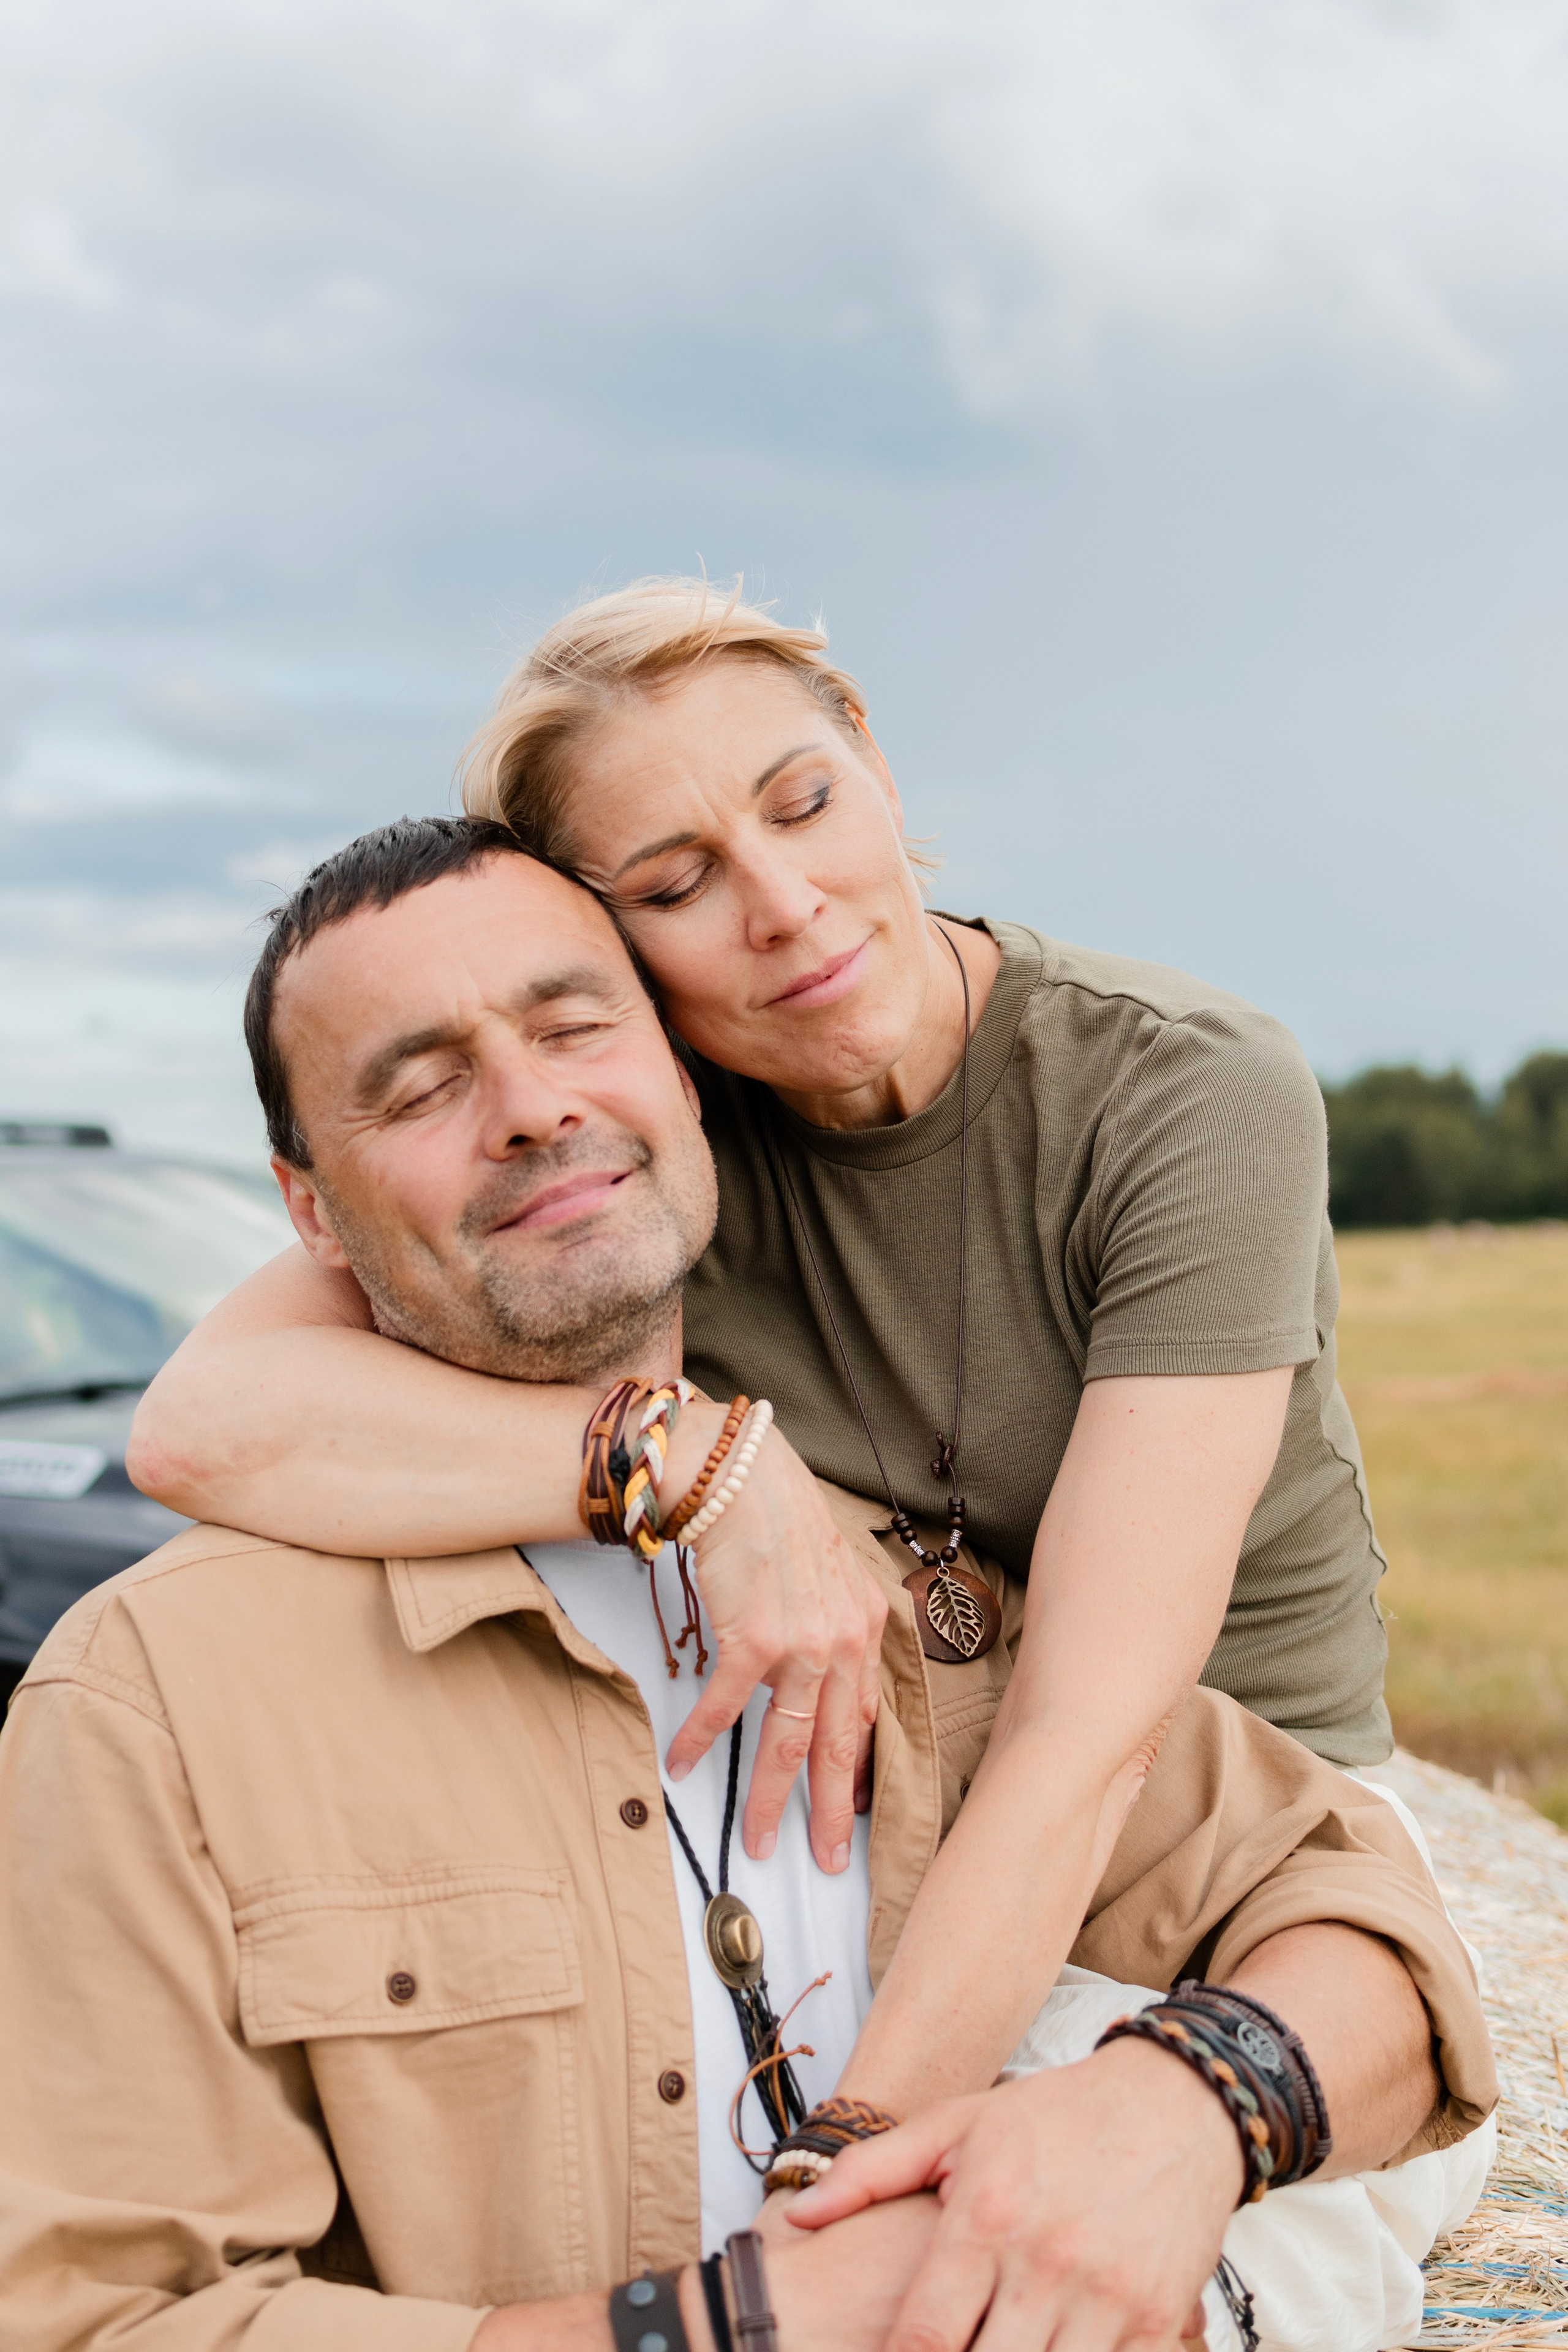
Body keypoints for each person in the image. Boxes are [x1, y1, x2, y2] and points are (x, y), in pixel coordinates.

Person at [7, 820, 1494, 2352]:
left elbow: (1364, 1918)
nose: (531, 1106)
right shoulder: (156, 1699)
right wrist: (735, 2325)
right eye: (424, 1084)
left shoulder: (924, 1593)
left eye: (575, 1024)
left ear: (680, 1078)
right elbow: (92, 2321)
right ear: (309, 1210)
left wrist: (1178, 2113)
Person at [132, 579, 1397, 2192]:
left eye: (804, 803)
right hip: (899, 1826)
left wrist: (839, 2178)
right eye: (676, 884)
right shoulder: (642, 1160)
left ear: (868, 750)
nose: (786, 903)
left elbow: (1095, 1733)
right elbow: (205, 1423)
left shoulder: (1186, 1092)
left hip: (1225, 1856)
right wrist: (685, 1458)